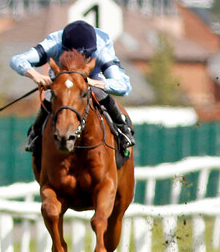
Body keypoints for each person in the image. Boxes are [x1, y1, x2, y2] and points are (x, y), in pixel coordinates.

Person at [9, 20, 135, 154]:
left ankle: (122, 130)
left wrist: (94, 82)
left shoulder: (102, 50)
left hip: (92, 73)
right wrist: (36, 76)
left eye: (86, 56)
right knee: (52, 94)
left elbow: (124, 86)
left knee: (99, 92)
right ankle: (35, 133)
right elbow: (16, 60)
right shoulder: (53, 44)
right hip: (63, 72)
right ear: (64, 49)